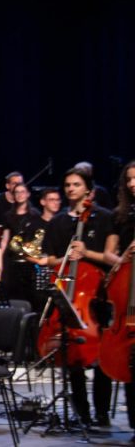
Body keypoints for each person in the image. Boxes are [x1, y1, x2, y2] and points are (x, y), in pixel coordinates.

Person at [42, 167, 115, 427]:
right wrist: (65, 258)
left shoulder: (104, 218)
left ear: (88, 189)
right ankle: (82, 412)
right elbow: (49, 259)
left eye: (75, 184)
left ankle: (102, 413)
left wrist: (85, 253)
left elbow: (110, 259)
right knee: (72, 359)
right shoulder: (58, 222)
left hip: (99, 297)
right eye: (67, 185)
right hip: (70, 295)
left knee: (101, 360)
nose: (70, 189)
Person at [100, 160, 135, 442]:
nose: (133, 184)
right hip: (127, 288)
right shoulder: (120, 215)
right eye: (129, 180)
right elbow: (109, 253)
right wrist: (124, 258)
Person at [0, 184, 46, 310]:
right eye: (17, 192)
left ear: (28, 194)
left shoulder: (35, 214)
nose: (20, 194)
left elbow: (38, 240)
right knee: (11, 294)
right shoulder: (8, 215)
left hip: (29, 260)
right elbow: (5, 239)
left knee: (29, 295)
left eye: (22, 192)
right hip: (11, 258)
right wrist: (0, 261)